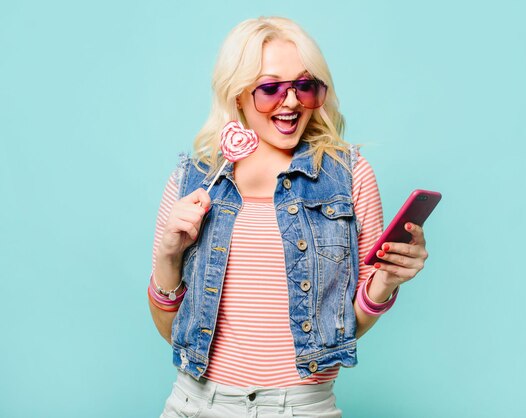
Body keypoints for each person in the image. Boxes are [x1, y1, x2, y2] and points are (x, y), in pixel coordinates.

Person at [148, 16, 429, 418]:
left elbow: (345, 324)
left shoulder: (348, 176)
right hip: (196, 404)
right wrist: (168, 256)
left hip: (301, 407)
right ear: (238, 96)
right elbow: (169, 330)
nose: (292, 101)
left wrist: (386, 279)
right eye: (270, 88)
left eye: (304, 85)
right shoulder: (192, 180)